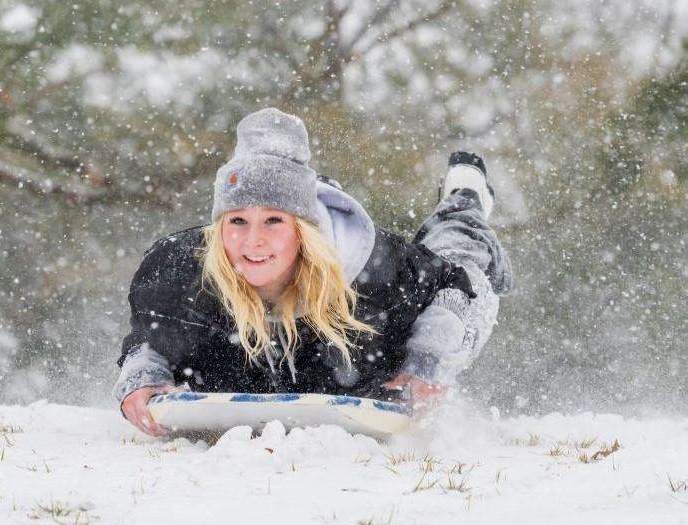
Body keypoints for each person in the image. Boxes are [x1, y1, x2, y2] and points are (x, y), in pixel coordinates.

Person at [113, 107, 512, 436]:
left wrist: (429, 359)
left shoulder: (378, 272)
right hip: (276, 348)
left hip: (360, 329)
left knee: (458, 246)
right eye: (237, 222)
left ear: (303, 232)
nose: (252, 241)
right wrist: (141, 376)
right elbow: (155, 334)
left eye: (273, 221)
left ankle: (465, 195)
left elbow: (461, 288)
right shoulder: (181, 270)